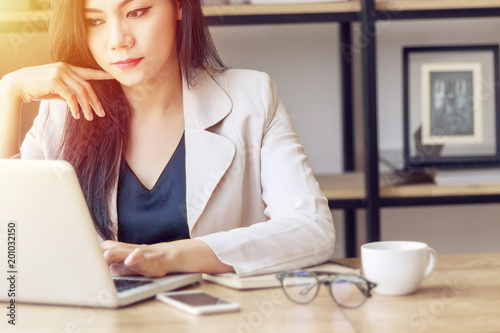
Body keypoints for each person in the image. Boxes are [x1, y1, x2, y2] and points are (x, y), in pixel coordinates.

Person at [0, 0, 335, 278]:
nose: (118, 39)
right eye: (95, 21)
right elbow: (10, 247)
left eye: (136, 12)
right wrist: (9, 93)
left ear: (178, 6)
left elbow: (312, 229)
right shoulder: (62, 114)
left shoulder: (251, 97)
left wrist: (166, 256)